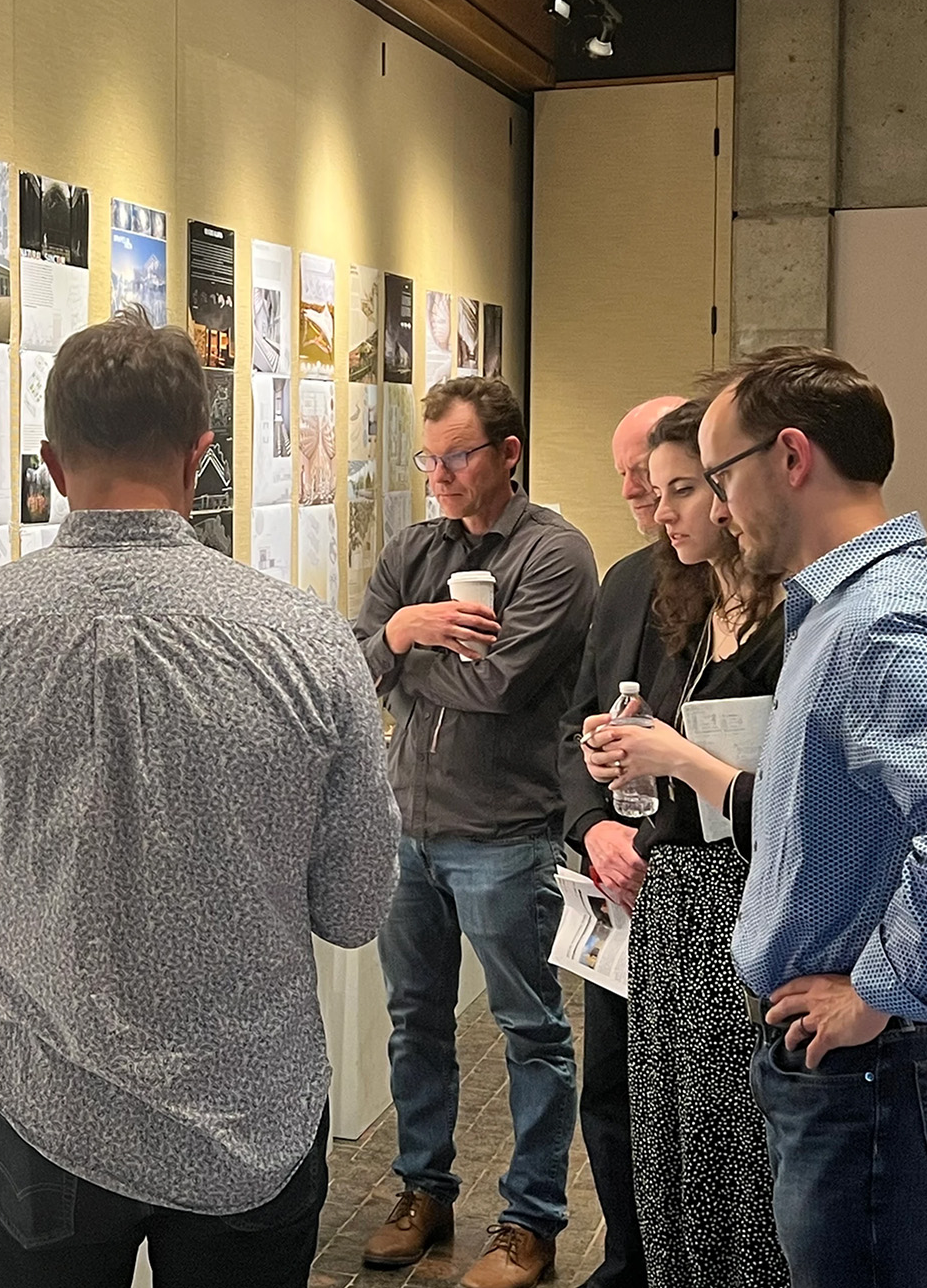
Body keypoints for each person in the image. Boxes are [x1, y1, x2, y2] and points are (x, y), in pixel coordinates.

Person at [0, 309, 400, 1288]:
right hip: (250, 1117)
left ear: (49, 462)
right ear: (200, 455)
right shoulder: (302, 640)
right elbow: (353, 908)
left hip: (50, 1119)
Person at [696, 346, 927, 1287]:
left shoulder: (877, 619)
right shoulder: (840, 607)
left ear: (792, 457)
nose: (717, 506)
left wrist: (876, 990)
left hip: (875, 1075)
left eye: (721, 475)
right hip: (857, 1073)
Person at [353, 376, 598, 1288]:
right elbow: (353, 661)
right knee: (414, 1022)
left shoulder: (556, 557)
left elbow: (500, 689)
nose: (440, 475)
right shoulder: (417, 547)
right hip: (406, 829)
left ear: (509, 455)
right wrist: (407, 632)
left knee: (529, 1029)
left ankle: (530, 1219)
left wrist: (400, 651)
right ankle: (425, 1190)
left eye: (458, 457)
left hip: (504, 832)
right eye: (430, 457)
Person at [580, 400, 789, 1288]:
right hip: (673, 902)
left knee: (737, 1155)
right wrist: (619, 749)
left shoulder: (803, 615)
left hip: (743, 902)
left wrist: (675, 756)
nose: (657, 509)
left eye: (679, 489)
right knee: (665, 1147)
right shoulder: (685, 599)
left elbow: (795, 803)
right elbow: (664, 739)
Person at [557, 395, 684, 1288]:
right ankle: (626, 1258)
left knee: (696, 1105)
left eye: (653, 472)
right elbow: (576, 726)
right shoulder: (625, 580)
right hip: (614, 880)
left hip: (702, 878)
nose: (637, 490)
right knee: (609, 1091)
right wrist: (593, 825)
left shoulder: (755, 591)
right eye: (630, 477)